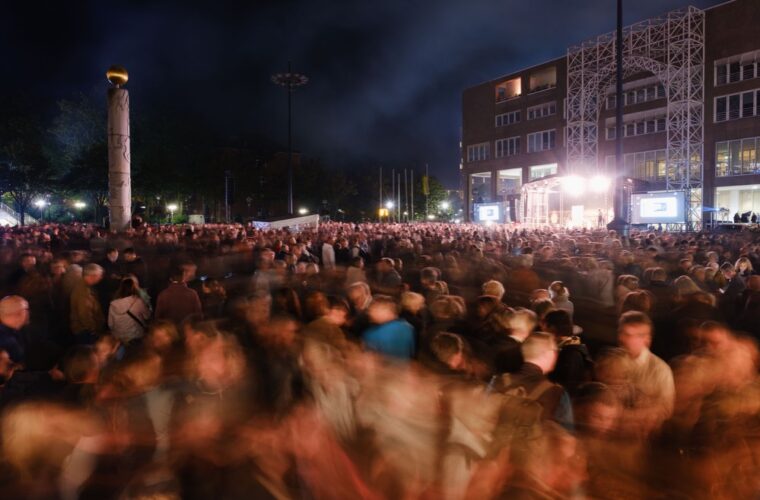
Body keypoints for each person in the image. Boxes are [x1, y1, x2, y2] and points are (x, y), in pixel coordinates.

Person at [616, 311, 675, 434]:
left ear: (647, 339)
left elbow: (666, 409)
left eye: (633, 335)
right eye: (623, 333)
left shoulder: (660, 370)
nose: (624, 340)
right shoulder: (611, 361)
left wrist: (628, 417)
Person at [362, 295, 415, 360]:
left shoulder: (372, 334)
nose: (369, 313)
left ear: (386, 310)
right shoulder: (408, 328)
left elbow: (368, 359)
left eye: (373, 309)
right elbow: (411, 351)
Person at [108, 277, 151, 345]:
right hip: (136, 336)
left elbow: (110, 324)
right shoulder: (138, 301)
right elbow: (147, 316)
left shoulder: (113, 304)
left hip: (119, 337)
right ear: (134, 288)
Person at [69, 263, 106, 344]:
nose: (100, 278)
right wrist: (93, 330)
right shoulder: (83, 291)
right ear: (92, 276)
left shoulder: (86, 286)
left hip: (85, 330)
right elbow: (84, 314)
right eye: (99, 275)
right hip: (85, 331)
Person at [0, 296, 29, 364]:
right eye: (26, 310)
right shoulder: (8, 342)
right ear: (19, 313)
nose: (28, 314)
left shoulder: (14, 332)